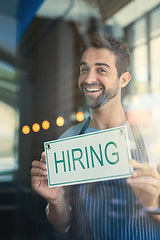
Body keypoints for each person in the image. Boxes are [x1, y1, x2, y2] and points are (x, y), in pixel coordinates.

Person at [31, 32, 160, 240]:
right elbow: (62, 225)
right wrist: (56, 201)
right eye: (84, 69)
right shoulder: (67, 142)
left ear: (124, 79)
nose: (89, 78)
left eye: (101, 69)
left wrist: (154, 204)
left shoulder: (154, 138)